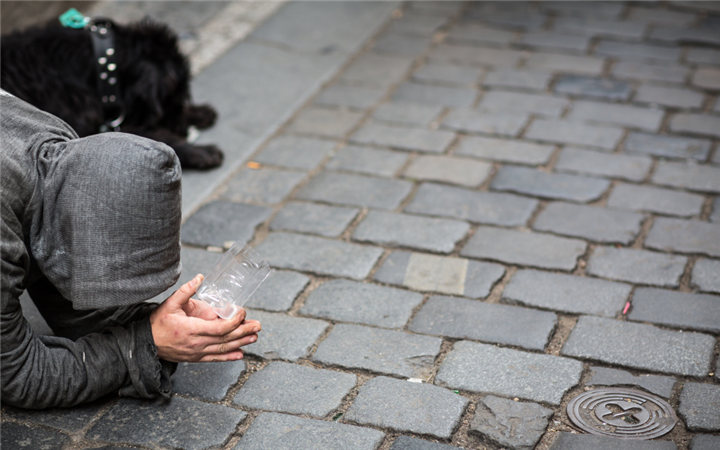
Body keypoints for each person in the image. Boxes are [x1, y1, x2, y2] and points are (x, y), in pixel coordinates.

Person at [1, 90, 261, 409]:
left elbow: (61, 277)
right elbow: (21, 375)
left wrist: (160, 322)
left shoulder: (60, 149)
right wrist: (147, 343)